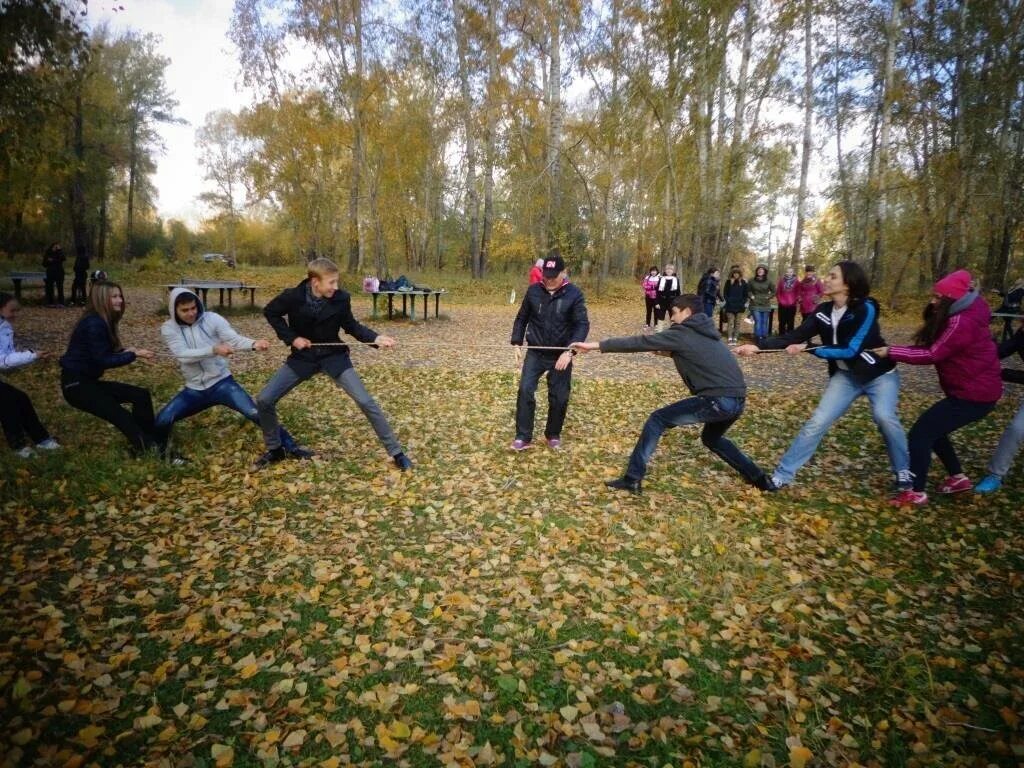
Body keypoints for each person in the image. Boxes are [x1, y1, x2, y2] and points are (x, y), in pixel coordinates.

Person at [735, 260, 911, 495]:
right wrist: (758, 347)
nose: (826, 279)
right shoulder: (823, 312)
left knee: (884, 417)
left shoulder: (865, 308)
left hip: (879, 375)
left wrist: (810, 347)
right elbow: (796, 335)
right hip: (846, 377)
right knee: (816, 422)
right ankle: (781, 477)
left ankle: (904, 473)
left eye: (833, 276)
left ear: (848, 284)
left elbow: (851, 349)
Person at [573, 293, 774, 493]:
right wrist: (668, 352)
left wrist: (594, 346)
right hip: (737, 400)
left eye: (674, 313)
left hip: (717, 400)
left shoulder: (682, 332)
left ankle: (632, 479)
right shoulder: (707, 332)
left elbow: (639, 341)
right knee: (711, 439)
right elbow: (695, 354)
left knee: (657, 419)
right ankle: (760, 479)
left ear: (687, 312)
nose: (672, 317)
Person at [256, 257, 412, 470]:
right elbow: (271, 312)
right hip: (304, 358)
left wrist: (374, 338)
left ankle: (397, 453)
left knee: (366, 402)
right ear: (315, 282)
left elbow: (351, 326)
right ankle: (275, 449)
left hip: (334, 357)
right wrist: (292, 338)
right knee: (265, 399)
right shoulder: (292, 297)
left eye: (336, 282)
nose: (336, 287)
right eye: (331, 282)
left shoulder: (341, 299)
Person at [875, 269, 1002, 506]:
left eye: (937, 298)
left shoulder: (961, 321)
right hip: (974, 392)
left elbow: (933, 353)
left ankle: (915, 491)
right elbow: (935, 348)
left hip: (974, 395)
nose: (932, 302)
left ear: (951, 300)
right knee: (935, 431)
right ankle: (958, 478)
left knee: (921, 434)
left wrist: (891, 351)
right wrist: (894, 350)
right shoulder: (965, 313)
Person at [156, 288, 310, 456]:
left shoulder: (212, 319)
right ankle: (162, 454)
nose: (191, 313)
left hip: (222, 383)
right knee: (162, 420)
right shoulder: (169, 328)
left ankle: (291, 447)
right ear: (174, 311)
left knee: (256, 413)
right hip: (194, 390)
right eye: (184, 310)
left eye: (193, 308)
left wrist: (253, 344)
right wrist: (214, 349)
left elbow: (233, 339)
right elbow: (183, 355)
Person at [59, 280, 172, 459]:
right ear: (102, 299)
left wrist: (128, 351)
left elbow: (101, 352)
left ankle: (150, 442)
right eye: (114, 297)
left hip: (86, 382)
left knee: (140, 395)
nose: (120, 300)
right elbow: (103, 360)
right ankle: (158, 453)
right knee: (122, 417)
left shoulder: (101, 321)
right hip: (76, 385)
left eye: (120, 296)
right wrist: (134, 355)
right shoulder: (94, 323)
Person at [510, 251, 590, 450]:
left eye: (554, 276)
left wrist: (570, 351)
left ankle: (553, 433)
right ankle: (523, 436)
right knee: (525, 390)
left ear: (564, 273)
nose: (549, 280)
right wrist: (516, 342)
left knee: (560, 396)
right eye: (546, 276)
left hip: (561, 353)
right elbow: (522, 318)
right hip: (536, 351)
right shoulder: (534, 291)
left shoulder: (574, 294)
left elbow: (582, 325)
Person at [0, 292, 61, 458]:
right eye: (12, 310)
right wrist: (32, 355)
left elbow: (7, 361)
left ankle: (42, 440)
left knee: (21, 398)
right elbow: (2, 361)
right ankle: (18, 446)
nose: (15, 315)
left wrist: (35, 357)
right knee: (6, 400)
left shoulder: (5, 328)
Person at [975, 326, 1024, 493]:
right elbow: (1002, 351)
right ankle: (995, 475)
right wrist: (987, 345)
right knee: (1017, 428)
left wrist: (1003, 373)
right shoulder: (1022, 333)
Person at [721, 267, 749, 345]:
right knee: (730, 322)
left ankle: (735, 337)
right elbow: (725, 293)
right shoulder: (728, 282)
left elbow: (745, 295)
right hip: (730, 306)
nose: (736, 274)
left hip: (740, 306)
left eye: (737, 273)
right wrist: (729, 301)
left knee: (737, 323)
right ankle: (730, 337)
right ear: (732, 274)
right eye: (734, 273)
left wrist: (742, 303)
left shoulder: (743, 282)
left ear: (740, 274)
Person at [748, 264, 775, 343]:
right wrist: (751, 296)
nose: (760, 271)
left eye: (762, 270)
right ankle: (758, 337)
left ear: (765, 272)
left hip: (765, 303)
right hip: (755, 303)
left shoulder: (769, 281)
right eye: (759, 270)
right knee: (758, 321)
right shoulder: (751, 280)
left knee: (764, 321)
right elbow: (748, 290)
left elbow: (774, 291)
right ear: (756, 271)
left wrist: (768, 297)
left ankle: (764, 337)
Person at [776, 265, 798, 334]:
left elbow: (798, 292)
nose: (789, 273)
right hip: (782, 305)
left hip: (792, 305)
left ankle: (789, 338)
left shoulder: (797, 282)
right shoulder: (781, 281)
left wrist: (794, 301)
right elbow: (778, 292)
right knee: (782, 322)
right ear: (786, 273)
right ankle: (781, 337)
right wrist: (780, 300)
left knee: (790, 322)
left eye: (790, 272)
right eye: (788, 272)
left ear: (793, 273)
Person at [42, 242, 66, 307]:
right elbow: (44, 264)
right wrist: (49, 261)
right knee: (49, 288)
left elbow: (63, 258)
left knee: (60, 287)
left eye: (57, 247)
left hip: (59, 272)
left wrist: (59, 251)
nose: (55, 248)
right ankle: (50, 302)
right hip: (50, 272)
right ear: (52, 247)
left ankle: (61, 302)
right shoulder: (48, 253)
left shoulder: (60, 252)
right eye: (54, 247)